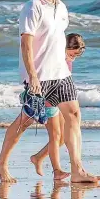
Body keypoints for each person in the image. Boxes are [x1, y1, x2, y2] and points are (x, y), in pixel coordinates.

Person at [0, 0, 100, 183]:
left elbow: (57, 38)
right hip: (40, 76)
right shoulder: (32, 7)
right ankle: (1, 163)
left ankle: (78, 170)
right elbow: (26, 42)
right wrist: (32, 75)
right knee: (24, 122)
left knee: (73, 115)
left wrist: (69, 57)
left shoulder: (61, 7)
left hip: (61, 73)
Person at [30, 34, 85, 178]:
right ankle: (57, 171)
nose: (75, 56)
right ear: (66, 48)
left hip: (60, 101)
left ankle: (38, 157)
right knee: (55, 136)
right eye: (73, 53)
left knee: (62, 138)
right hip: (48, 100)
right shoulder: (56, 58)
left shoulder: (67, 59)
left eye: (78, 54)